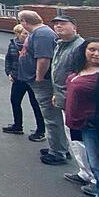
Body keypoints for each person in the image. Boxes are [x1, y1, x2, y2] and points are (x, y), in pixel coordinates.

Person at [18, 10, 69, 164]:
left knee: (51, 117)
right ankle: (59, 147)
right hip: (37, 81)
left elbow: (44, 58)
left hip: (43, 83)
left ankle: (58, 152)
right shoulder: (41, 33)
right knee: (50, 116)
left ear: (24, 22)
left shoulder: (42, 34)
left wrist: (39, 78)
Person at [62, 38, 99, 197]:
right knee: (93, 164)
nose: (97, 54)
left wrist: (94, 119)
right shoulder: (80, 70)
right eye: (92, 49)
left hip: (96, 126)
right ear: (84, 51)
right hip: (82, 124)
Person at [49, 16, 90, 178]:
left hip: (76, 101)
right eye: (56, 24)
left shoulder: (80, 47)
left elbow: (82, 75)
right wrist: (56, 94)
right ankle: (84, 172)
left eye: (63, 23)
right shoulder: (60, 44)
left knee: (80, 140)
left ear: (75, 27)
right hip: (63, 97)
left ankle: (91, 177)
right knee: (73, 138)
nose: (58, 26)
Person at [2, 24, 44, 136]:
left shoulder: (34, 45)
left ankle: (40, 130)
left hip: (31, 79)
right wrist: (9, 73)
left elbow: (40, 61)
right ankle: (17, 126)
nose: (27, 36)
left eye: (29, 33)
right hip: (18, 78)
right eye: (25, 33)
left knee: (35, 104)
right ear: (18, 34)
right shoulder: (12, 45)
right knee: (15, 101)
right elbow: (8, 60)